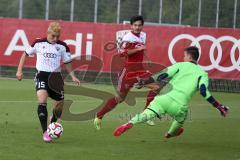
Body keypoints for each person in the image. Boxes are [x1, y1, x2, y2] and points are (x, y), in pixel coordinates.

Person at [113, 46, 229, 138]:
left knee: (146, 114)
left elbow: (161, 75)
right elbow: (204, 92)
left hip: (163, 98)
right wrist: (218, 106)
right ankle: (170, 134)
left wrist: (144, 82)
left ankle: (128, 124)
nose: (183, 58)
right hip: (179, 105)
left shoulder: (179, 65)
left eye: (184, 56)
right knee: (179, 122)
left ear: (189, 56)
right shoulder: (202, 74)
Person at [16, 22, 80, 142]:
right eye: (53, 36)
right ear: (48, 33)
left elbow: (67, 62)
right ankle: (45, 132)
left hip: (56, 78)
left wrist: (73, 76)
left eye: (58, 36)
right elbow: (25, 54)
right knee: (42, 101)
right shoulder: (38, 43)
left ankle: (53, 122)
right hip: (42, 76)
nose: (55, 39)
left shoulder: (63, 46)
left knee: (59, 107)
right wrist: (19, 71)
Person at [94, 15, 159, 130]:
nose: (137, 27)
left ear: (142, 26)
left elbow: (141, 50)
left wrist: (144, 55)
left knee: (156, 87)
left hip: (140, 70)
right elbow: (122, 53)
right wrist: (137, 49)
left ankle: (146, 115)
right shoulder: (128, 38)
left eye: (139, 25)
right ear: (131, 26)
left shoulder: (143, 35)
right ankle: (99, 116)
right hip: (129, 71)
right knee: (120, 98)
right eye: (135, 25)